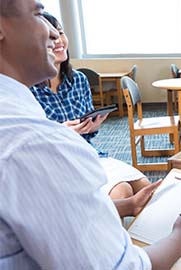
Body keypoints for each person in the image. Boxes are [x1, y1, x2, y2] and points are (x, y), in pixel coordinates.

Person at [0, 1, 181, 269]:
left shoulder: (22, 118)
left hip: (98, 159)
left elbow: (47, 218)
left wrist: (126, 206)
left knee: (150, 192)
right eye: (37, 14)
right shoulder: (35, 142)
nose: (53, 34)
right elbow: (120, 266)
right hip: (120, 254)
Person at [29, 12, 157, 218]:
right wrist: (61, 132)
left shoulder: (78, 80)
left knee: (147, 189)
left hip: (87, 153)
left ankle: (143, 244)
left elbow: (87, 131)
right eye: (50, 37)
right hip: (59, 164)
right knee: (122, 191)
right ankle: (116, 247)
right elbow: (29, 144)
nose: (59, 40)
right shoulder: (27, 88)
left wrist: (92, 126)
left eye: (60, 33)